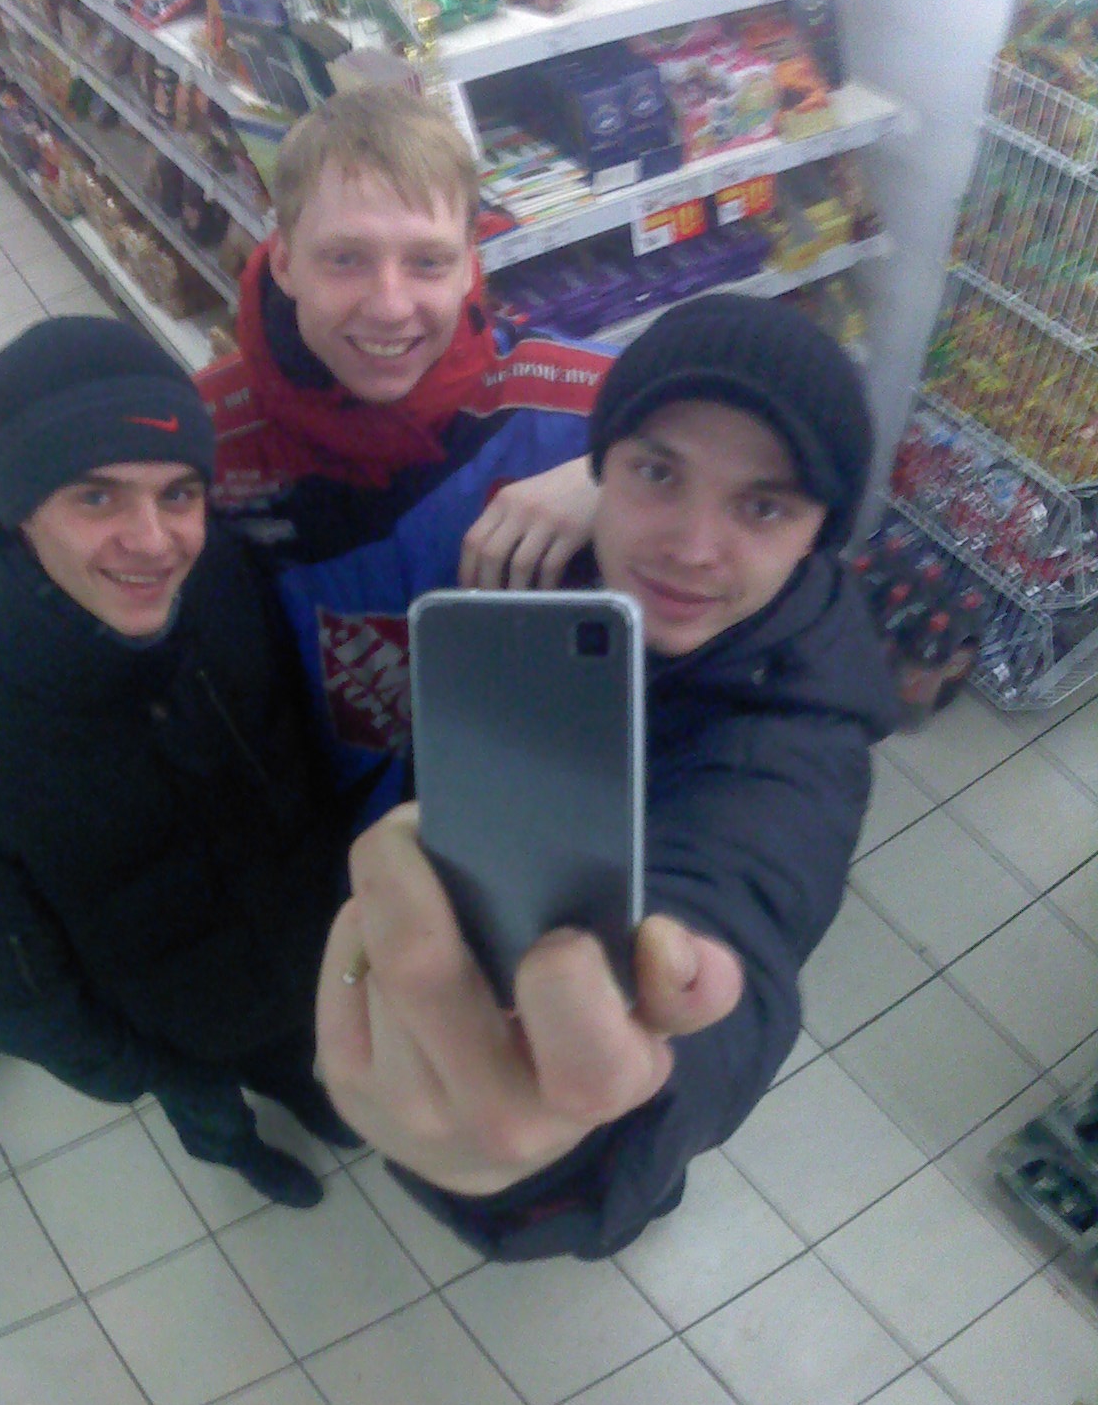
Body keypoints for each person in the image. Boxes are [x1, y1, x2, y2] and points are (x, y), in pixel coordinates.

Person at [316, 292, 901, 1260]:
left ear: (816, 536)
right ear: (602, 467)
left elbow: (739, 920)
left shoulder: (798, 744)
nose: (692, 546)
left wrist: (585, 1138)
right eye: (658, 472)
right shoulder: (546, 562)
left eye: (763, 505)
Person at [0, 319, 356, 1211]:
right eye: (97, 498)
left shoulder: (221, 574)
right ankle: (241, 1153)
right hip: (172, 1034)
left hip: (298, 953)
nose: (154, 541)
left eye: (178, 493)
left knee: (297, 1051)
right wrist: (139, 1067)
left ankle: (303, 1089)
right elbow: (0, 988)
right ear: (21, 509)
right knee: (211, 1112)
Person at [198, 85, 611, 817]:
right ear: (284, 261)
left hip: (523, 827)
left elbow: (781, 422)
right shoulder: (203, 443)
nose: (390, 306)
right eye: (345, 259)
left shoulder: (579, 409)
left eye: (427, 262)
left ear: (470, 266)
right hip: (303, 844)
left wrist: (622, 473)